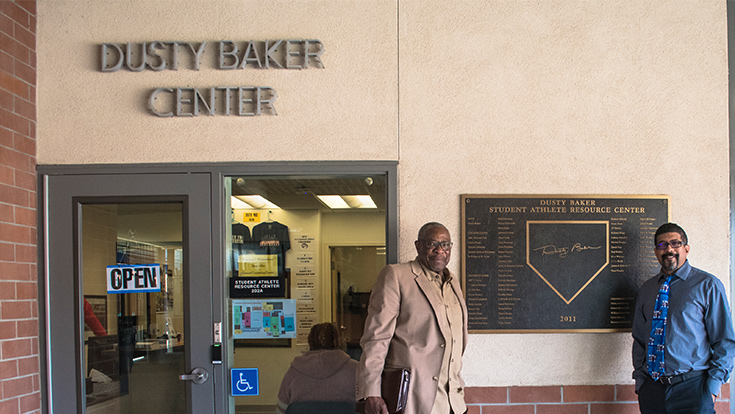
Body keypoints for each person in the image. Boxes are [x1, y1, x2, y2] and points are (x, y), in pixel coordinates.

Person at [357, 222, 468, 414]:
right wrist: (371, 392)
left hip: (453, 403)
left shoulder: (453, 283)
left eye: (446, 244)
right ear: (418, 245)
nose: (440, 250)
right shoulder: (397, 276)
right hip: (414, 400)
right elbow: (377, 338)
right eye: (432, 243)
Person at [632, 222, 735, 413]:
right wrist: (641, 382)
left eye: (675, 243)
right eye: (662, 245)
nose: (669, 249)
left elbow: (724, 341)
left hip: (694, 389)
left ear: (686, 249)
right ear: (656, 251)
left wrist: (712, 388)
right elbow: (639, 339)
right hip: (653, 390)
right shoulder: (647, 290)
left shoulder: (707, 285)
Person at [276, 322, 358, 414]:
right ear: (338, 340)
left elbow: (281, 409)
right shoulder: (355, 369)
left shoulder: (294, 370)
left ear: (310, 341)